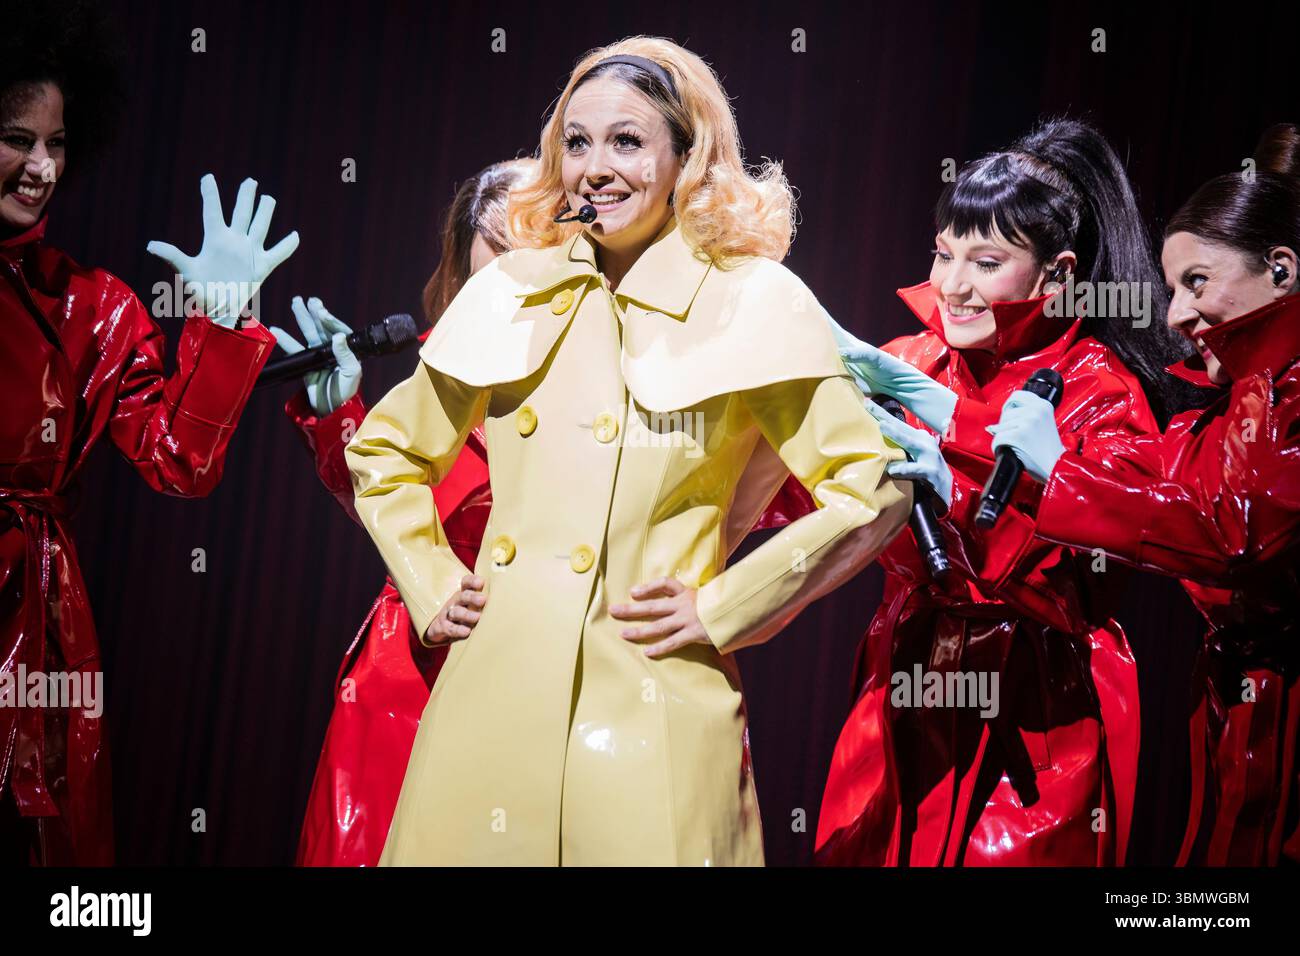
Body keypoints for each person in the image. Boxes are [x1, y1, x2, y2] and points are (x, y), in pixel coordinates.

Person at [343, 36, 912, 866]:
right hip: (491, 704)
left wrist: (721, 608)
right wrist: (431, 582)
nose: (594, 168)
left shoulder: (753, 300)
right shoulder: (511, 288)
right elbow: (386, 452)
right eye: (576, 142)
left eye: (627, 141)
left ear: (689, 156)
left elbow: (874, 486)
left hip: (657, 709)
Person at [816, 118, 1191, 865]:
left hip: (1038, 701)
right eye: (944, 254)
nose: (952, 285)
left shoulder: (1099, 391)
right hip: (907, 682)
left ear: (1056, 275)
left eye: (986, 262)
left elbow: (1076, 579)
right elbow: (804, 488)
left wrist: (955, 481)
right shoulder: (911, 358)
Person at [0, 2, 297, 864]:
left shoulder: (93, 305)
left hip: (36, 621)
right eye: (18, 138)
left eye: (57, 144)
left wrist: (221, 322)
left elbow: (180, 463)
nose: (41, 167)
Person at [988, 124, 1300, 865]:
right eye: (1169, 289)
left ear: (1282, 271)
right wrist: (952, 425)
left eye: (1196, 282)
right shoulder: (1222, 407)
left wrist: (1059, 470)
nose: (1174, 317)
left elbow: (1235, 533)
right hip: (1238, 713)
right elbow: (1154, 496)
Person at [274, 158, 536, 867]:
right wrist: (339, 424)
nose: (506, 301)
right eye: (486, 284)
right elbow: (398, 506)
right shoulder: (445, 378)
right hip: (415, 673)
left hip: (549, 673)